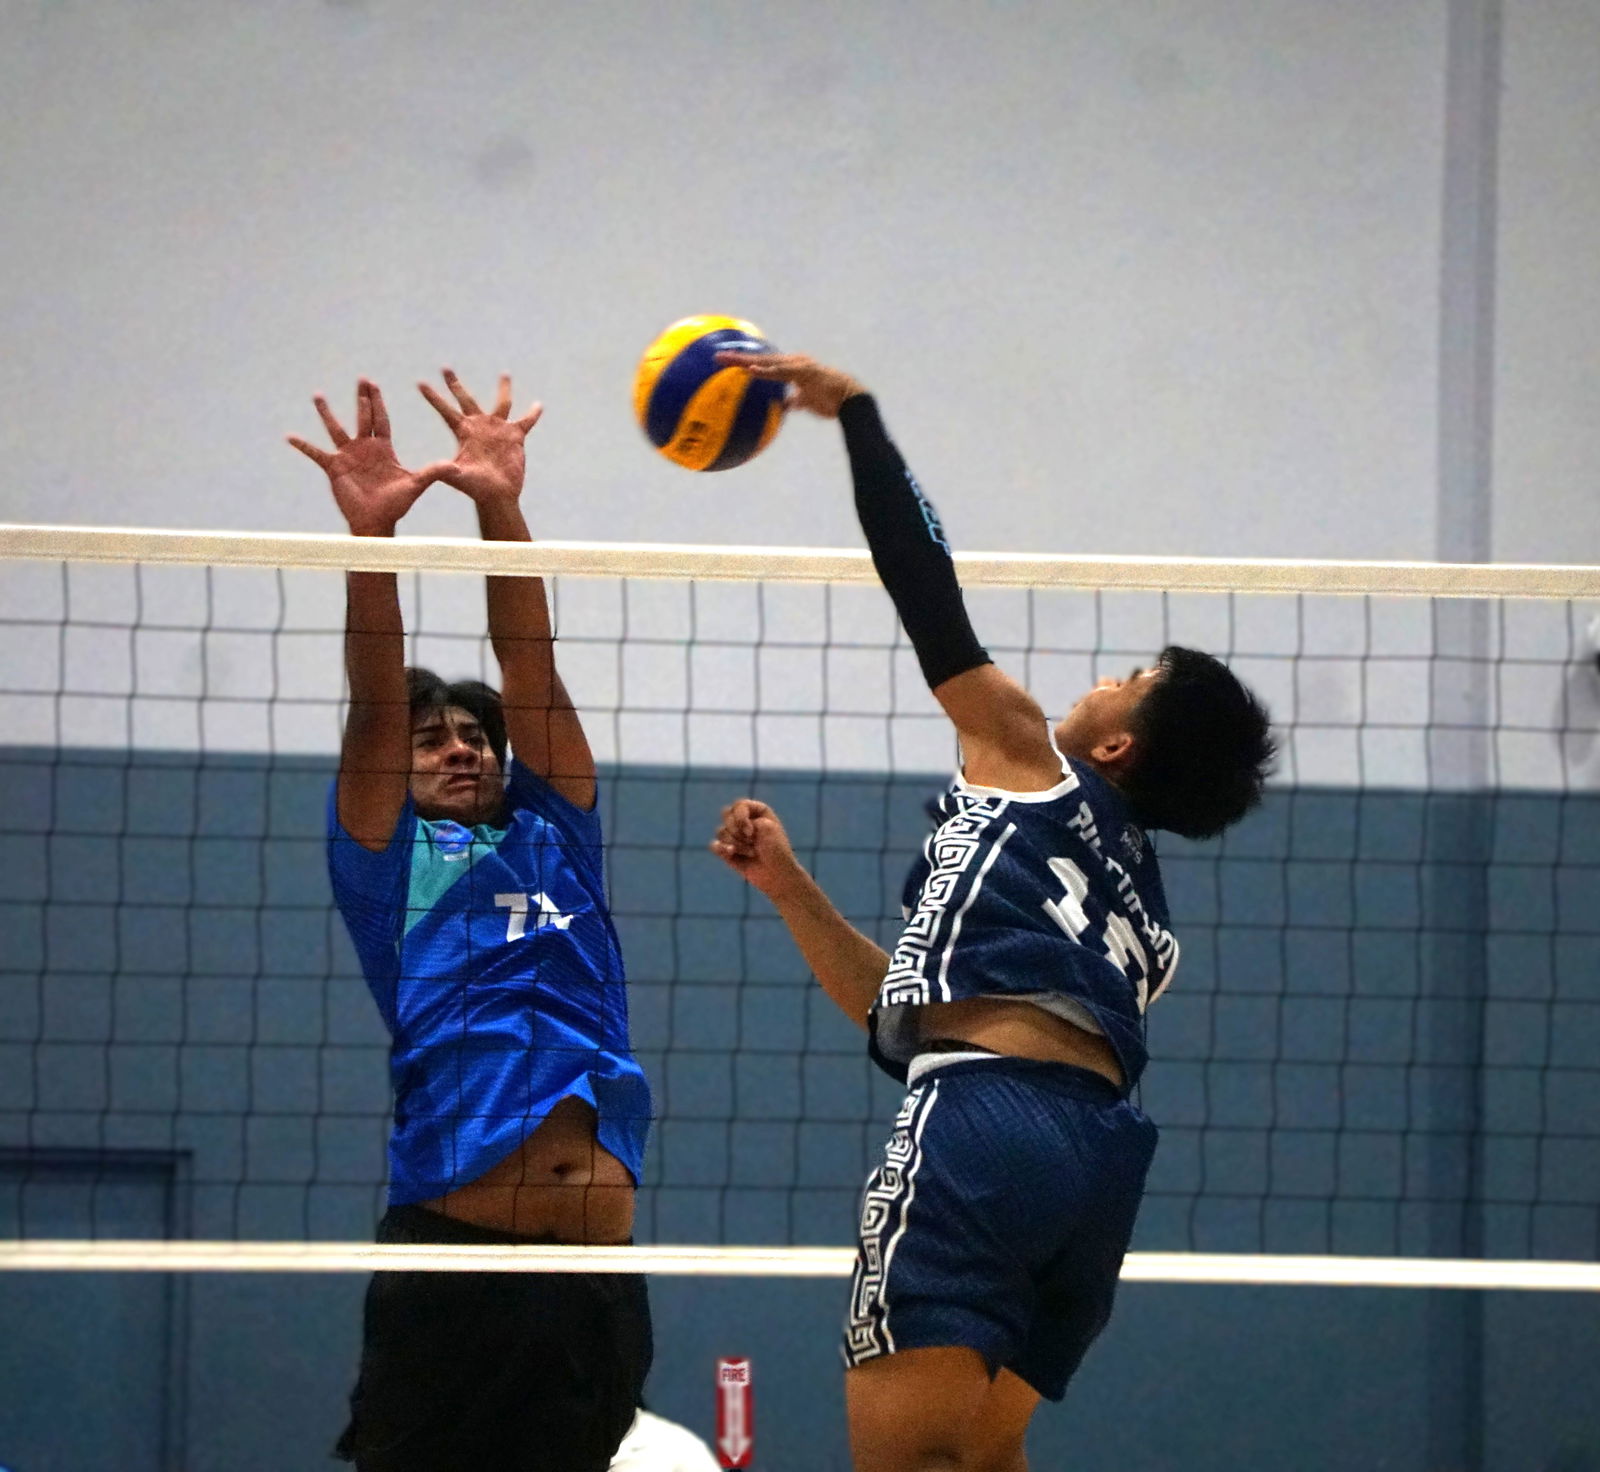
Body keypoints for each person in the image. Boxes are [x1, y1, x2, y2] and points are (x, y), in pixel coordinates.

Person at [709, 351, 1275, 1472]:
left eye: (1126, 676)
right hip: (1095, 1159)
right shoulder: (1146, 931)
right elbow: (919, 1011)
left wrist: (858, 418)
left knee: (911, 1458)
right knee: (982, 1455)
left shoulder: (1028, 757)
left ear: (1118, 743)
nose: (1098, 678)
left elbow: (923, 580)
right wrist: (789, 888)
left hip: (983, 1124)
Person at [290, 373, 653, 1472]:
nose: (460, 747)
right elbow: (371, 704)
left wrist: (498, 503)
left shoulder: (560, 829)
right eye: (433, 736)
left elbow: (528, 664)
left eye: (474, 736)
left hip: (592, 1284)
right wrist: (374, 543)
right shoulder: (385, 860)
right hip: (453, 1269)